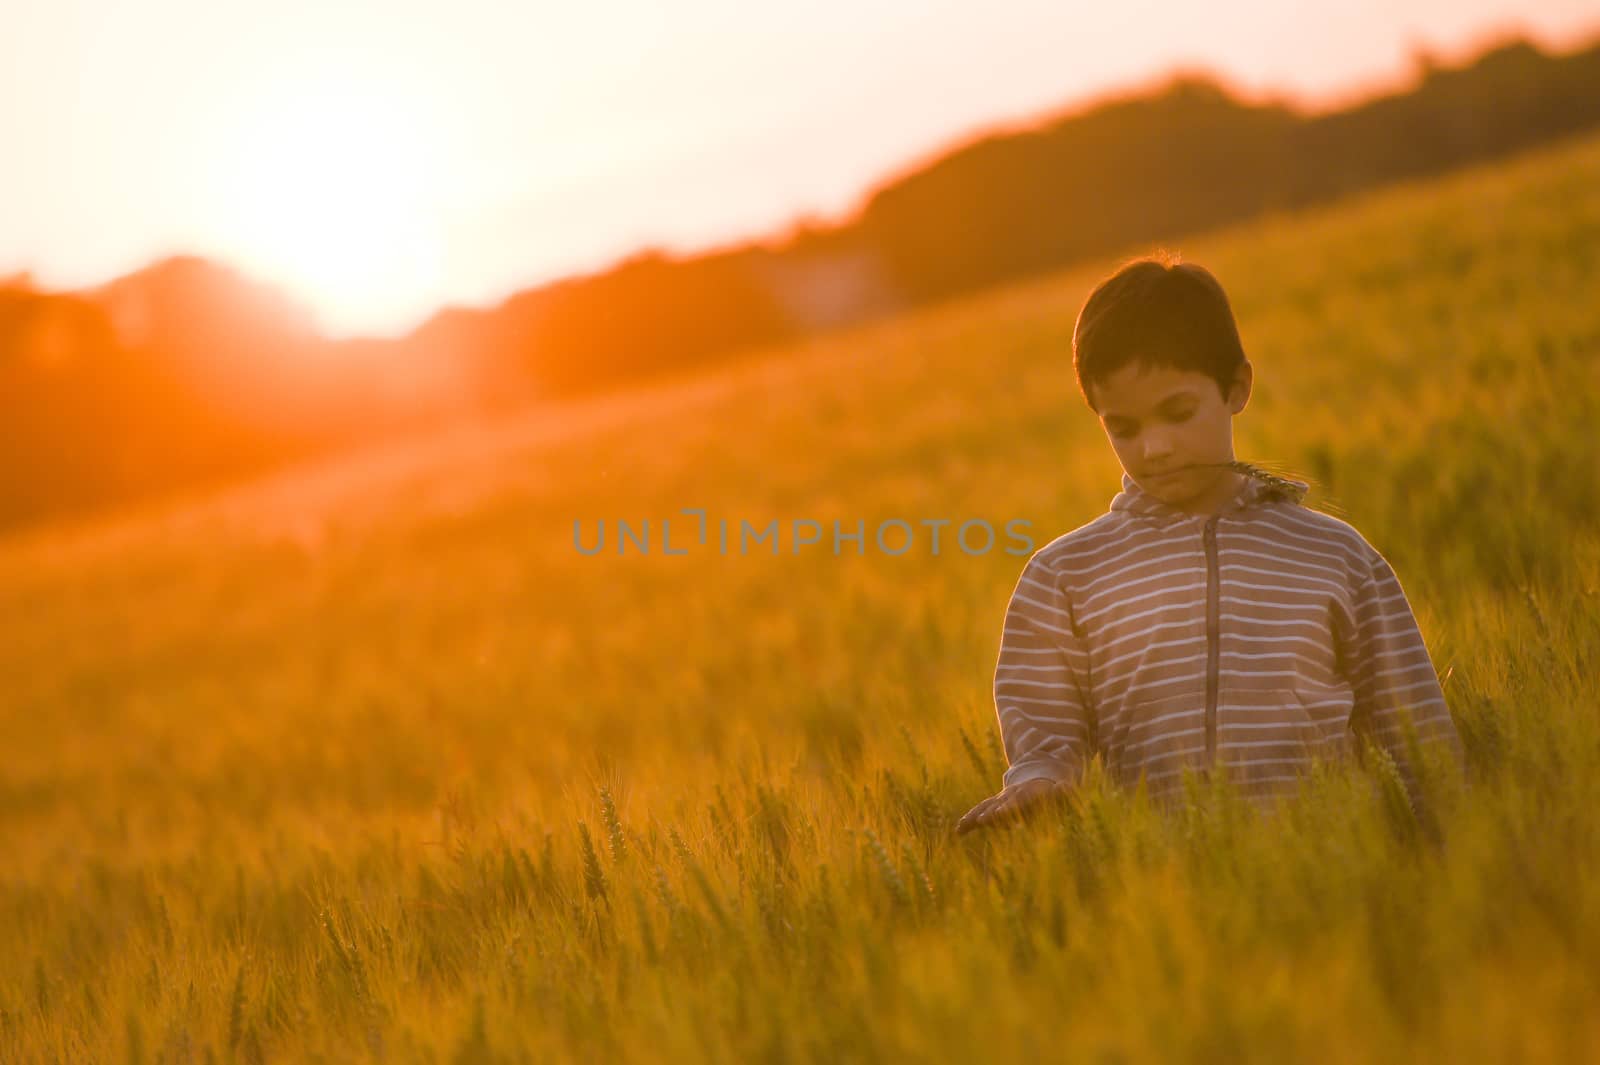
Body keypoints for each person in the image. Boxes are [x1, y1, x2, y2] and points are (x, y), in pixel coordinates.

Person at [955, 252, 1465, 835]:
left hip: (1335, 877)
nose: (1155, 448)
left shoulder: (1334, 557)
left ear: (1237, 388)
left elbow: (1420, 742)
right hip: (1166, 893)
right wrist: (1038, 781)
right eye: (1124, 427)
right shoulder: (1066, 576)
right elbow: (1046, 735)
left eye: (1178, 413)